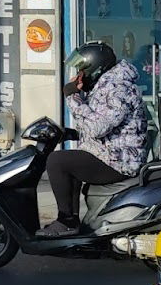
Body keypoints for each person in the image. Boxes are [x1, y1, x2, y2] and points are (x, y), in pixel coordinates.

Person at [39, 41, 147, 236]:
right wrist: (72, 133)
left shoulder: (117, 88)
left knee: (57, 162)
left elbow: (98, 127)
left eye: (82, 70)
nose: (79, 75)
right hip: (111, 153)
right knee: (68, 160)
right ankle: (71, 222)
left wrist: (73, 97)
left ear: (95, 68)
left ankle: (66, 221)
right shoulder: (106, 85)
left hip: (120, 161)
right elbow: (108, 126)